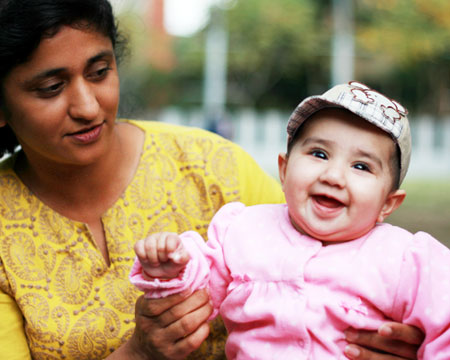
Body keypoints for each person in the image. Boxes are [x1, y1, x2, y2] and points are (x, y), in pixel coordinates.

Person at [0, 0, 423, 357]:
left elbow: (350, 269)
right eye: (51, 87)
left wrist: (396, 339)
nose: (89, 107)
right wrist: (138, 354)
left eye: (99, 71)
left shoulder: (216, 168)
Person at [130, 82, 449, 359]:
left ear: (388, 203)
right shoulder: (244, 230)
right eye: (319, 154)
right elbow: (200, 284)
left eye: (361, 167)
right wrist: (173, 266)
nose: (334, 176)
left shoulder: (406, 258)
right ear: (283, 170)